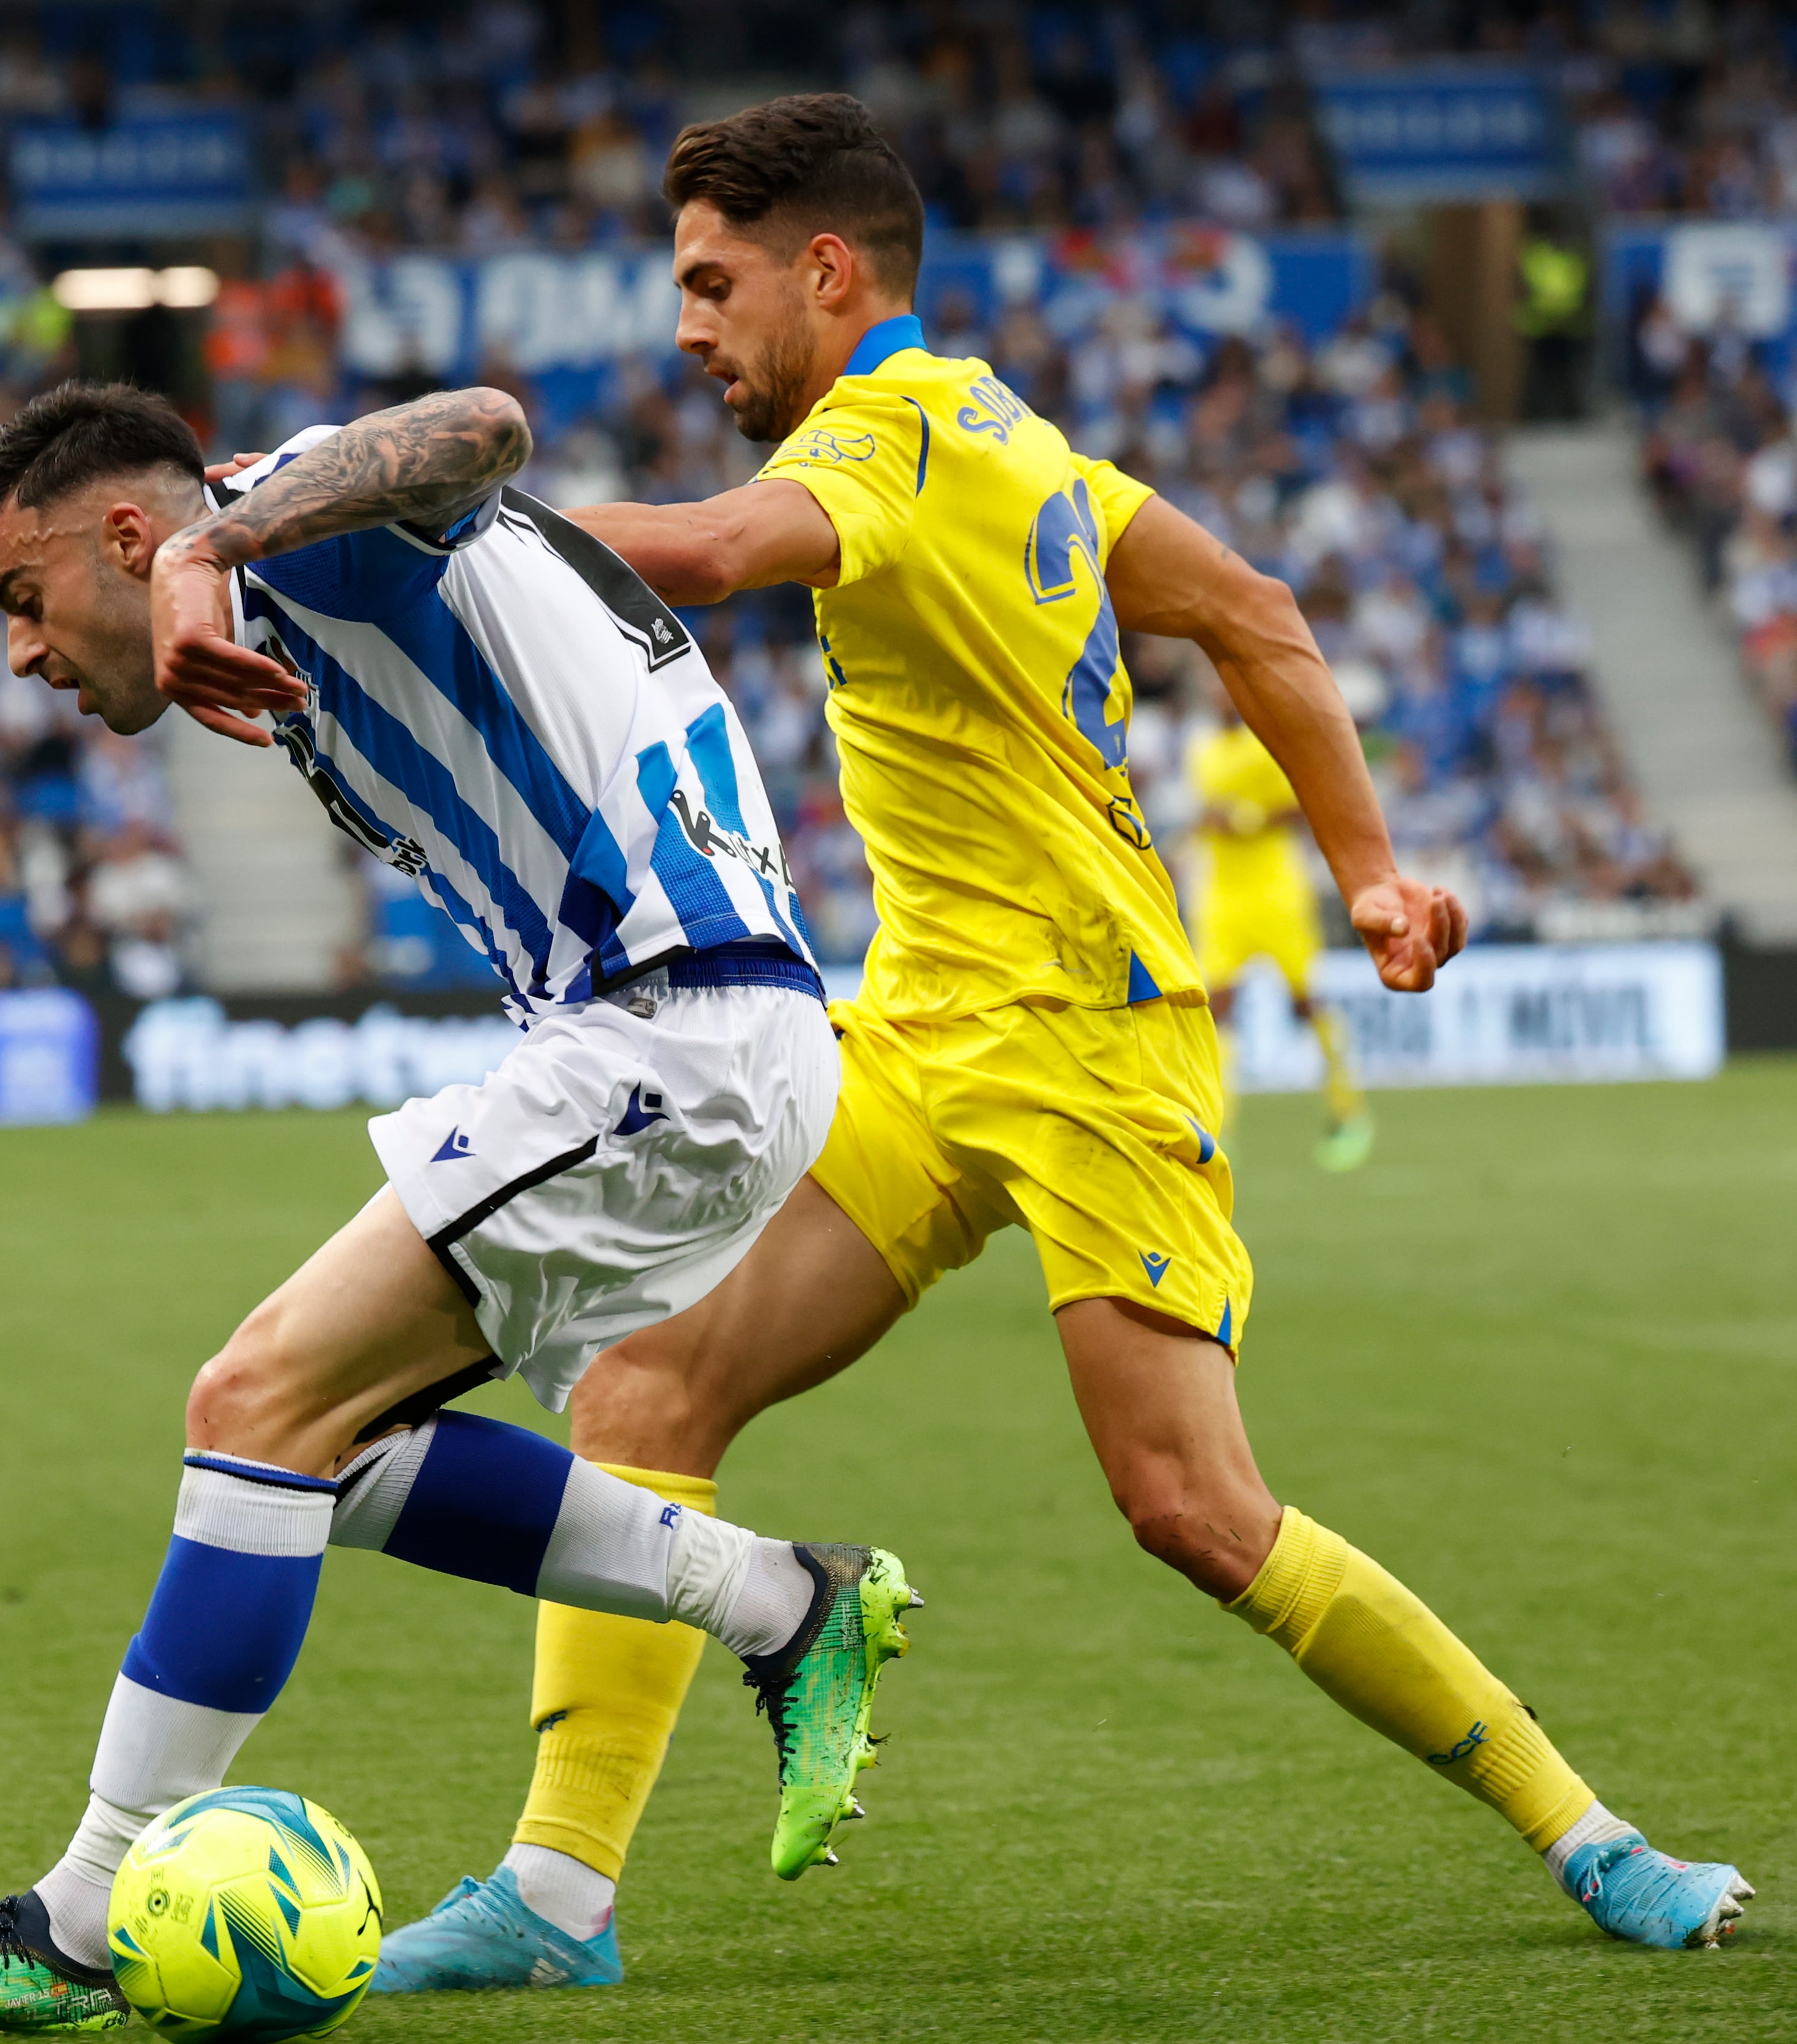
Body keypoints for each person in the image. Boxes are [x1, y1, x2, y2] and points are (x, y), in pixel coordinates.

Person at [304, 94, 1746, 1989]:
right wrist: (1374, 875)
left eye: (710, 283)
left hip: (1087, 1044)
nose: (685, 328)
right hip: (914, 1031)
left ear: (828, 271)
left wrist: (439, 528)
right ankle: (553, 1896)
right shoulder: (1013, 438)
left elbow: (725, 552)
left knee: (1190, 1510)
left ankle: (1593, 1834)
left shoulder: (889, 435)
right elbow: (1257, 613)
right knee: (645, 1393)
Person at [0, 380, 917, 2032]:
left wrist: (211, 547)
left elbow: (484, 424)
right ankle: (785, 1603)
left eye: (24, 600)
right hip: (681, 1036)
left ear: (128, 532)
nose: (25, 654)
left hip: (673, 1027)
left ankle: (85, 1918)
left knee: (253, 1402)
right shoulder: (305, 554)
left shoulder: (307, 531)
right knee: (324, 1446)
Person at [1185, 668, 1375, 1169]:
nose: (1218, 695)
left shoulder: (1266, 745)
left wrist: (1246, 819)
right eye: (1213, 687)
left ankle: (1348, 1115)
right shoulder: (1201, 750)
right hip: (1222, 896)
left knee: (1305, 1004)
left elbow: (1302, 807)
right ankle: (1220, 1133)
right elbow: (1207, 812)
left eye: (1227, 686)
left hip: (1277, 893)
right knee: (1217, 1010)